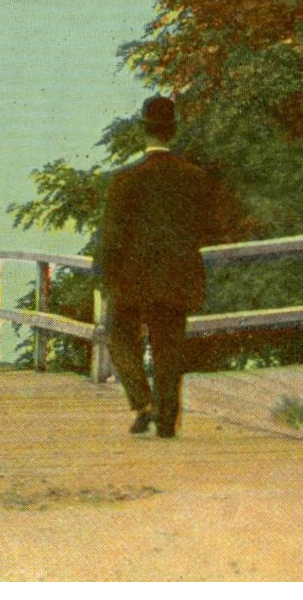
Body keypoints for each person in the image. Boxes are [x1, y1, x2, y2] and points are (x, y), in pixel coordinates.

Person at [95, 96, 222, 439]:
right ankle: (168, 420)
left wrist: (105, 279)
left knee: (119, 337)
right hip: (176, 277)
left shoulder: (125, 180)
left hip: (132, 281)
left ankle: (142, 404)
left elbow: (110, 239)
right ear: (173, 131)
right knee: (169, 348)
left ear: (144, 131)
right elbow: (208, 227)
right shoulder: (194, 178)